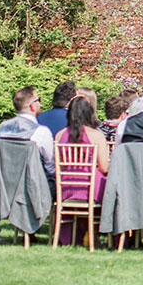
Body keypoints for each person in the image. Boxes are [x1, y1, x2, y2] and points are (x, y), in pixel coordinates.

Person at [53, 96, 109, 245]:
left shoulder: (59, 135)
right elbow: (104, 167)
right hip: (91, 186)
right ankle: (99, 235)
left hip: (66, 186)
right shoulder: (96, 135)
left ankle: (73, 236)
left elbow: (58, 164)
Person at [0, 86, 55, 181]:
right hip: (33, 185)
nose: (40, 104)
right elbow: (51, 167)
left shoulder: (2, 128)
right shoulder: (40, 131)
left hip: (4, 184)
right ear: (33, 106)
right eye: (38, 100)